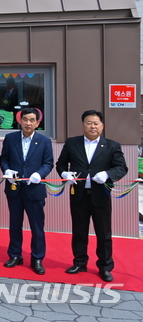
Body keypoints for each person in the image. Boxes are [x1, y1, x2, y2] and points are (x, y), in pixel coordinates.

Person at [56, 110, 128, 282]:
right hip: (78, 195)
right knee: (79, 231)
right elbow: (60, 164)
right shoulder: (72, 143)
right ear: (83, 125)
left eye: (96, 123)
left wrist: (107, 174)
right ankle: (79, 262)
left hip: (100, 196)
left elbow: (122, 168)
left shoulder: (112, 146)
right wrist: (64, 174)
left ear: (102, 126)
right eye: (89, 123)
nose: (92, 126)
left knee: (103, 233)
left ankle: (105, 266)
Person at [0, 108, 53, 275]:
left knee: (37, 226)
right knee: (15, 224)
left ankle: (37, 257)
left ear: (37, 123)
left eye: (32, 120)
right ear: (19, 121)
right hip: (14, 188)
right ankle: (15, 254)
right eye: (25, 119)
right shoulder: (10, 138)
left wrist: (39, 174)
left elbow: (48, 163)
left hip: (35, 189)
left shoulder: (44, 141)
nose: (28, 123)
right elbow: (4, 159)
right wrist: (7, 171)